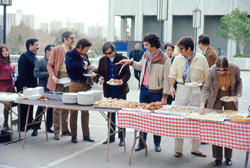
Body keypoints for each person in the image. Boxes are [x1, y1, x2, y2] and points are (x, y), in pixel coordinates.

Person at [120, 33, 171, 152]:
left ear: (153, 45)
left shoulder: (165, 59)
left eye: (146, 45)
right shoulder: (146, 55)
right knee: (142, 117)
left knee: (156, 119)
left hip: (156, 92)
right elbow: (140, 66)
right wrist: (130, 62)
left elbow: (167, 79)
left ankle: (157, 143)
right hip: (143, 90)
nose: (145, 47)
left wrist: (164, 96)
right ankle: (141, 142)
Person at [168, 36, 209, 158]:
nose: (179, 51)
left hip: (196, 90)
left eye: (181, 48)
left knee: (196, 118)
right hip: (181, 89)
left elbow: (208, 75)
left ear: (189, 48)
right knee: (179, 118)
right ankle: (178, 149)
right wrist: (171, 87)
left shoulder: (201, 59)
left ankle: (196, 149)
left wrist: (201, 81)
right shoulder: (177, 59)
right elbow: (172, 75)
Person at [199, 56, 242, 166]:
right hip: (216, 97)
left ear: (228, 67)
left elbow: (239, 82)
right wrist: (202, 103)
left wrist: (238, 93)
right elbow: (206, 88)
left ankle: (228, 157)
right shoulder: (212, 70)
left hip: (230, 96)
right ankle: (217, 157)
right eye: (219, 70)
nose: (221, 72)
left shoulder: (234, 68)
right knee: (216, 126)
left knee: (229, 125)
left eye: (224, 70)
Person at [97, 42, 131, 146]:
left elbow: (127, 74)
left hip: (120, 90)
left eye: (110, 53)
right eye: (106, 53)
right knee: (110, 115)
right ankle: (111, 136)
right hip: (109, 89)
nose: (108, 55)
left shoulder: (122, 58)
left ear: (114, 50)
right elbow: (99, 72)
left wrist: (122, 80)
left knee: (121, 114)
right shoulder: (102, 60)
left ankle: (122, 138)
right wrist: (100, 78)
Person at [65, 38, 95, 143]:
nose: (87, 51)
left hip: (85, 84)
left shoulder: (85, 56)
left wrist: (91, 71)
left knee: (85, 111)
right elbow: (69, 65)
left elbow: (88, 66)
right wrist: (82, 64)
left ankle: (86, 134)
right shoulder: (70, 54)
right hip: (74, 84)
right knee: (73, 111)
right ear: (80, 46)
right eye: (86, 49)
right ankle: (74, 135)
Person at [47, 31, 74, 140]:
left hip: (69, 79)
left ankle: (65, 129)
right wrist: (53, 77)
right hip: (58, 78)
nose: (73, 40)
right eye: (71, 38)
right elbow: (49, 65)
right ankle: (56, 131)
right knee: (57, 106)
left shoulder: (74, 50)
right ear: (65, 39)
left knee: (67, 105)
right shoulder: (56, 49)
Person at [16, 39, 39, 131]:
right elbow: (21, 72)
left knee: (30, 105)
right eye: (36, 45)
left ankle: (29, 123)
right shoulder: (24, 56)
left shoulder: (34, 57)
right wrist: (24, 85)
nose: (38, 47)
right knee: (23, 106)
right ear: (30, 45)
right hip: (25, 85)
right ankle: (21, 125)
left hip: (32, 85)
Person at [32, 44, 55, 136]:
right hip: (43, 88)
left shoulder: (55, 61)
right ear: (47, 51)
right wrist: (50, 74)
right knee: (41, 108)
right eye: (52, 50)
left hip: (53, 88)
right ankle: (36, 127)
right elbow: (36, 73)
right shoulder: (40, 61)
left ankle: (49, 126)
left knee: (51, 109)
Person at [0, 44, 16, 131]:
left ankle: (5, 123)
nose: (5, 52)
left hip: (10, 85)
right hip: (2, 86)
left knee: (9, 106)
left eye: (6, 50)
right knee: (6, 105)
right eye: (3, 51)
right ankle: (6, 124)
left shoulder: (8, 61)